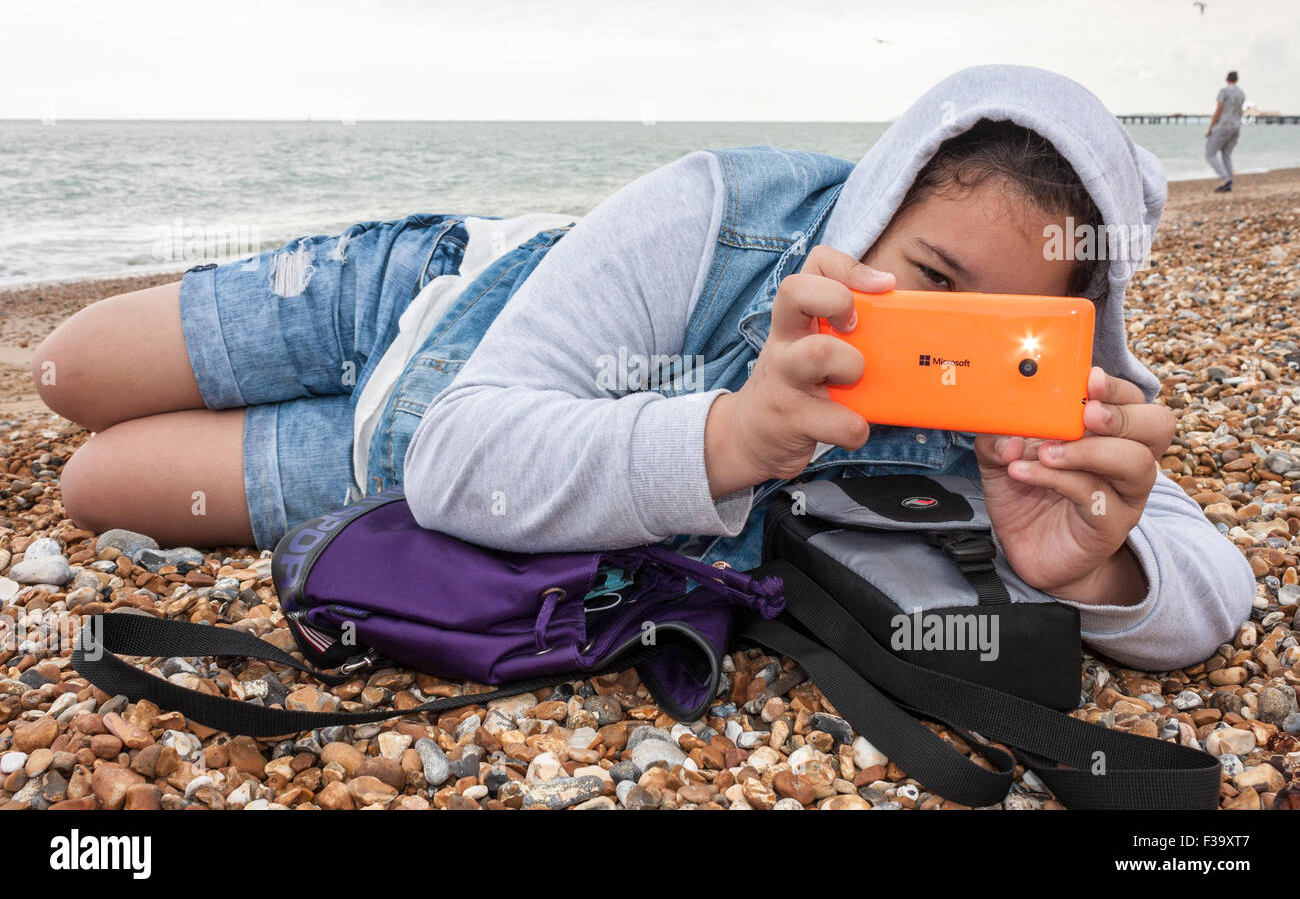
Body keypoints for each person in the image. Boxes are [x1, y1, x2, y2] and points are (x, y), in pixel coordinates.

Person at [34, 64, 1253, 671]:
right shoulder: (722, 208)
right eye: (931, 279)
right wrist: (732, 436)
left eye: (1008, 325)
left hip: (402, 469)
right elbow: (476, 427)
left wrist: (1094, 565)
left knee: (91, 488)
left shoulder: (1049, 396)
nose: (957, 338)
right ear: (869, 209)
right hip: (427, 305)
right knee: (61, 373)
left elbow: (1212, 586)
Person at [1205, 70, 1245, 192]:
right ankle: (1229, 180)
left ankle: (1224, 178)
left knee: (1210, 153)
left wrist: (1210, 128)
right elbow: (1240, 111)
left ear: (1227, 79)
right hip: (1236, 127)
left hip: (1223, 126)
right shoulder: (1241, 93)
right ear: (1236, 80)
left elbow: (1218, 110)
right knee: (1226, 154)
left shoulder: (1224, 91)